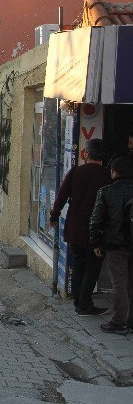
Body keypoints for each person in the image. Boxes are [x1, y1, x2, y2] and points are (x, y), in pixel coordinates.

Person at [50, 139, 111, 316]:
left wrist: (54, 216)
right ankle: (84, 304)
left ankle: (79, 302)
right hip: (97, 230)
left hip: (75, 227)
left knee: (78, 266)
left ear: (87, 154)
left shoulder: (76, 172)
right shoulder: (107, 175)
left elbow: (61, 196)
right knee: (92, 268)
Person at [89, 157, 133, 334]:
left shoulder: (106, 191)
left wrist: (95, 242)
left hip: (116, 245)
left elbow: (95, 220)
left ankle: (118, 321)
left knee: (119, 283)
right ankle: (130, 320)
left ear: (114, 172)